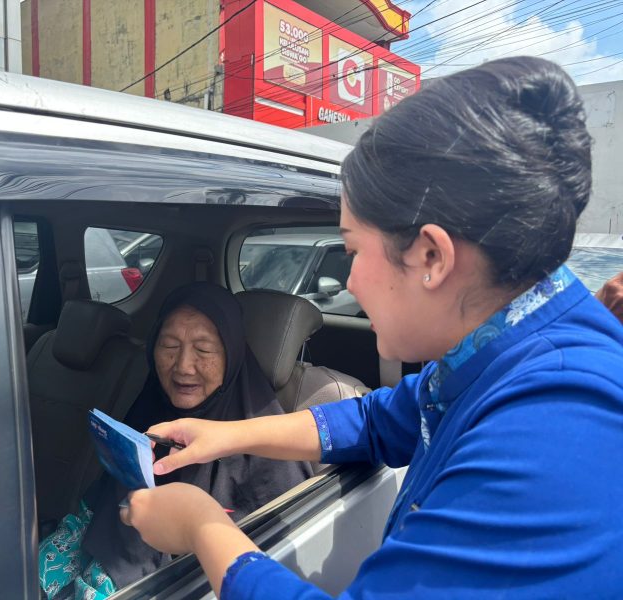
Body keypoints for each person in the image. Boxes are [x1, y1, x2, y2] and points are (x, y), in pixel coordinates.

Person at [119, 56, 623, 598]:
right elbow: (380, 419)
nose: (351, 281)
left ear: (431, 256)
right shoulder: (492, 358)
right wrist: (225, 436)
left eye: (353, 250)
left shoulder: (552, 430)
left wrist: (203, 526)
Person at [38, 282, 312, 599]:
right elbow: (94, 513)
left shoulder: (269, 452)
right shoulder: (148, 411)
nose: (183, 366)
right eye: (169, 345)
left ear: (232, 354)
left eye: (204, 349)